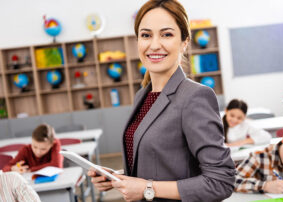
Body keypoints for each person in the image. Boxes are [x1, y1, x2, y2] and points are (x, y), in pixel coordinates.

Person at [88, 0, 236, 201]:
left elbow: (221, 182)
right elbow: (164, 163)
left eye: (166, 34)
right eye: (146, 35)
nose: (154, 44)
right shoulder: (143, 95)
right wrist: (119, 178)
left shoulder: (194, 96)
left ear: (184, 42)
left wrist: (147, 188)